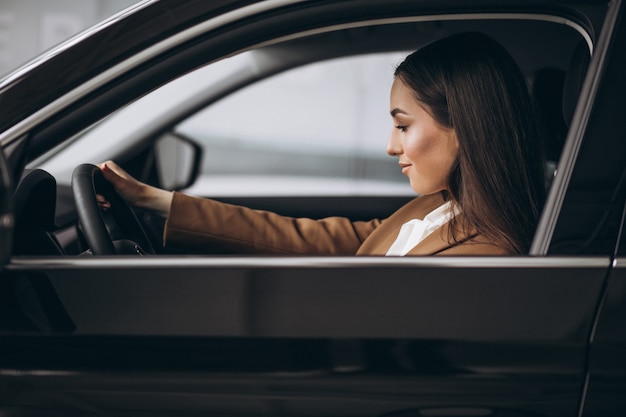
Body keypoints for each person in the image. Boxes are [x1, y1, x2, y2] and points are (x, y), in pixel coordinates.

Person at [99, 32, 545, 256]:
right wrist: (155, 201)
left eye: (403, 126)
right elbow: (318, 238)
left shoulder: (485, 256)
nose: (391, 147)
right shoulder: (440, 207)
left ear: (465, 127)